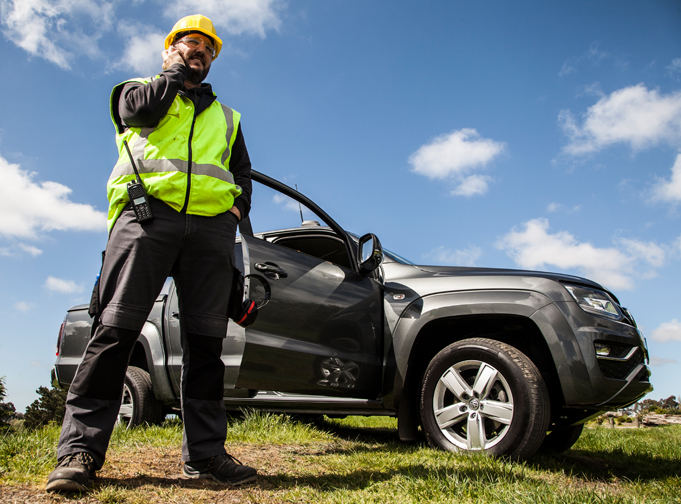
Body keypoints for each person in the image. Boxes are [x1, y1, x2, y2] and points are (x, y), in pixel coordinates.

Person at [46, 14, 256, 492]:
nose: (198, 51)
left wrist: (234, 216)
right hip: (145, 221)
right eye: (188, 43)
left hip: (209, 234)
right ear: (168, 50)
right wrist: (171, 76)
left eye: (207, 47)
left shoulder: (227, 118)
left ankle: (205, 457)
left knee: (206, 346)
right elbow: (138, 115)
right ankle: (79, 452)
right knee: (115, 331)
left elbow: (241, 173)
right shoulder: (138, 90)